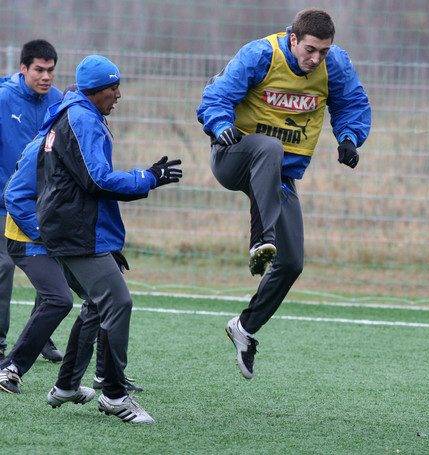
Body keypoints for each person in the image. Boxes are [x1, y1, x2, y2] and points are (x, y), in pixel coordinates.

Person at [196, 8, 371, 379]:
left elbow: (352, 104)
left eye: (323, 51)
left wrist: (350, 138)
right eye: (310, 49)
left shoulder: (334, 65)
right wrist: (220, 125)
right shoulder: (260, 55)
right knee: (270, 147)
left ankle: (244, 329)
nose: (316, 58)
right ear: (293, 39)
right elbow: (215, 96)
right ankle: (260, 240)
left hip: (278, 177)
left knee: (291, 263)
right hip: (233, 156)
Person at [36, 55, 182, 423]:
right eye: (113, 87)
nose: (119, 94)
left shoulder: (75, 113)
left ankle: (67, 385)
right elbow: (96, 180)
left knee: (97, 305)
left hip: (72, 229)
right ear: (94, 90)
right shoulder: (82, 118)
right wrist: (147, 177)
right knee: (118, 301)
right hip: (75, 232)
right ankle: (114, 395)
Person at [0, 39, 63, 362]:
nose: (46, 76)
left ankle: (39, 338)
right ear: (23, 68)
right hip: (4, 203)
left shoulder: (58, 101)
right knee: (3, 266)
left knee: (52, 268)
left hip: (44, 204)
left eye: (51, 70)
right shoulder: (2, 99)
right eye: (39, 69)